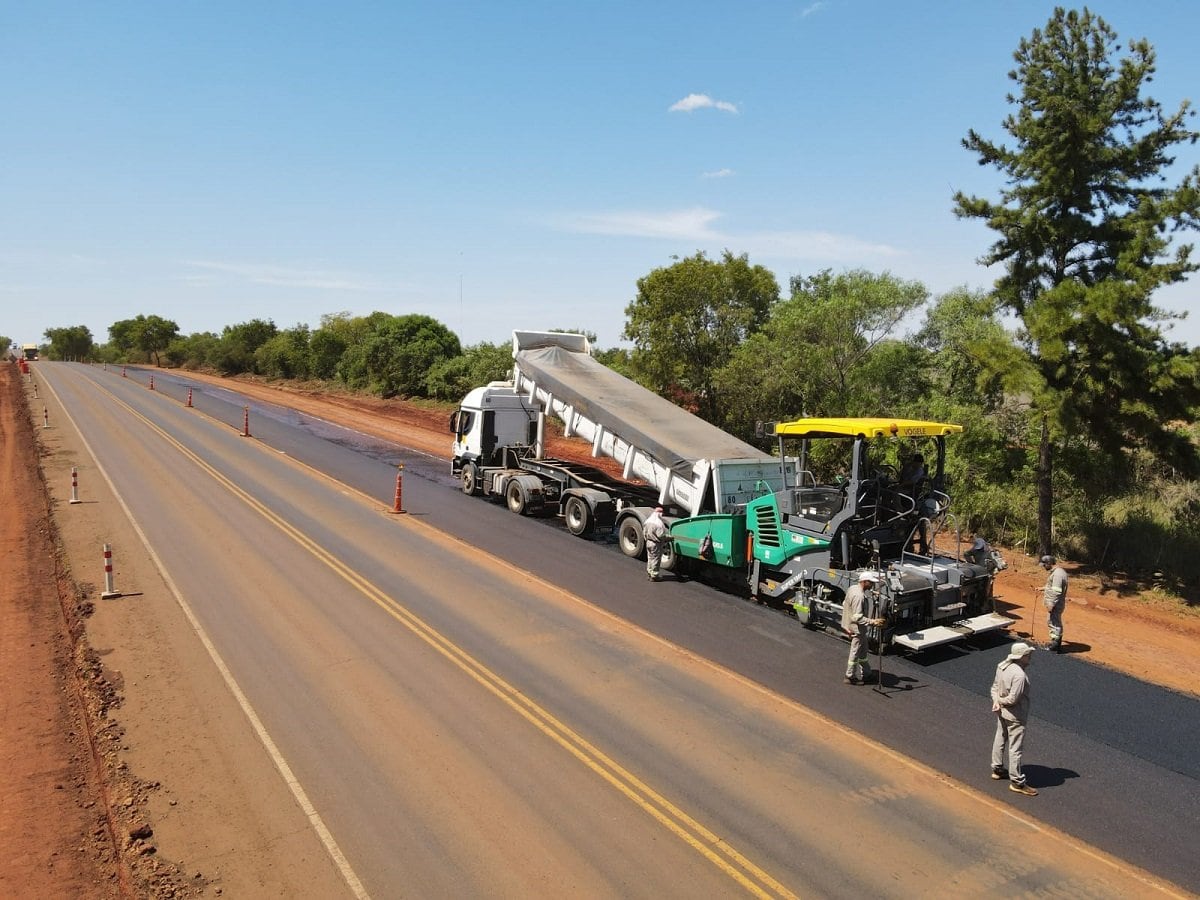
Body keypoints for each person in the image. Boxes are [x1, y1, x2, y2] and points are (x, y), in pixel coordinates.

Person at [990, 641, 1037, 796]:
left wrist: (996, 702)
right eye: (1028, 654)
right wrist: (1001, 702)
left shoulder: (1002, 666)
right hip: (1015, 715)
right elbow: (1012, 699)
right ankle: (1017, 781)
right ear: (1021, 656)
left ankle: (997, 768)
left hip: (1001, 712)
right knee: (1015, 748)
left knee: (1000, 737)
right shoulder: (1019, 675)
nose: (1030, 656)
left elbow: (994, 688)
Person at [842, 572, 886, 684]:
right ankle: (850, 676)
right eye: (870, 582)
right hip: (857, 629)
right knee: (855, 652)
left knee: (863, 652)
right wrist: (873, 622)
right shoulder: (859, 596)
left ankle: (867, 673)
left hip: (854, 627)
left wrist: (846, 625)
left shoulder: (852, 588)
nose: (872, 585)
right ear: (864, 581)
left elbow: (846, 605)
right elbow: (858, 617)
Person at [1040, 554, 1068, 652]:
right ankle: (1055, 642)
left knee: (1054, 623)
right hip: (1056, 603)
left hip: (1055, 604)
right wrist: (1042, 588)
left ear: (1049, 563)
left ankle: (1055, 645)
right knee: (1052, 621)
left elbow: (1056, 591)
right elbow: (1052, 586)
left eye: (1044, 565)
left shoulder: (1057, 574)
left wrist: (1051, 604)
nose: (1043, 567)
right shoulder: (1057, 572)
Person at [643, 506, 668, 581]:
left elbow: (644, 532)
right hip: (655, 544)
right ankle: (654, 576)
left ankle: (649, 573)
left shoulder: (647, 521)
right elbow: (660, 535)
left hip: (648, 542)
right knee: (655, 559)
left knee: (650, 558)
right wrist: (668, 538)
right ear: (659, 513)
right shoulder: (658, 523)